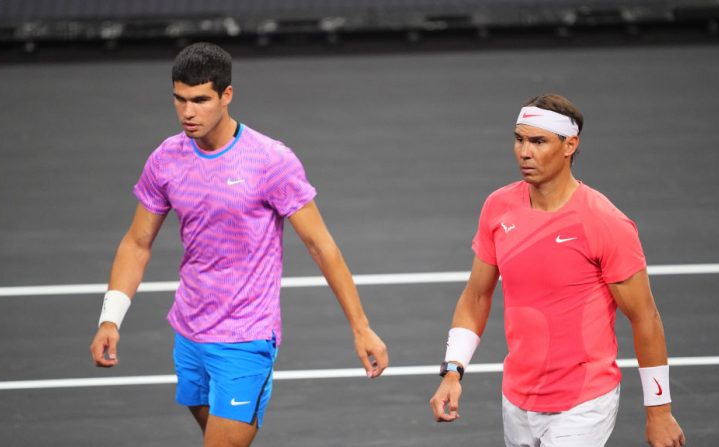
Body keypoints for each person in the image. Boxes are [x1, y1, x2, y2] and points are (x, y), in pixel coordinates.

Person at [89, 42, 388, 447]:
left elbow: (321, 246)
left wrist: (361, 327)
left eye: (200, 100)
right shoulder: (166, 159)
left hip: (247, 337)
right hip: (189, 331)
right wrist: (111, 318)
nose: (188, 113)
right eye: (179, 100)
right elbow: (138, 242)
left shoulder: (270, 160)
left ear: (226, 95)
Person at [429, 94, 685, 447]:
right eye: (519, 139)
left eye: (538, 141)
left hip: (584, 402)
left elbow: (645, 318)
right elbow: (476, 296)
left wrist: (659, 412)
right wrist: (452, 371)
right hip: (518, 398)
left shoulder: (604, 222)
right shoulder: (498, 207)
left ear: (570, 145)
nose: (524, 152)